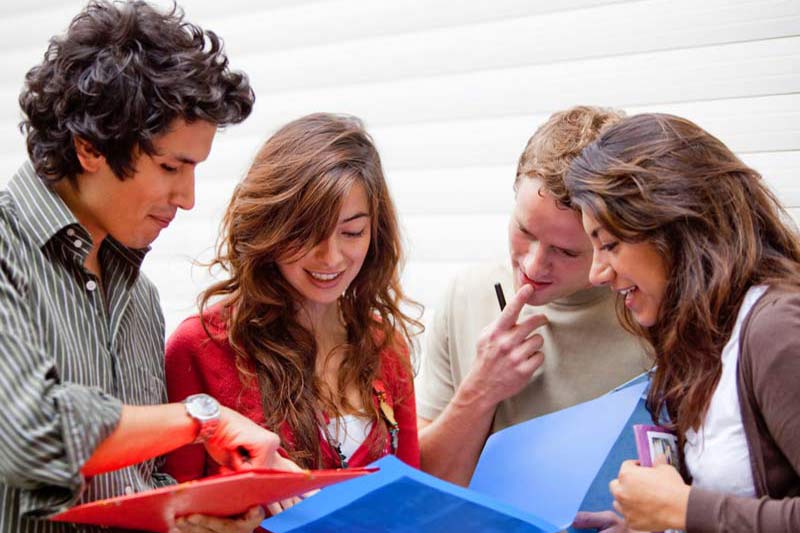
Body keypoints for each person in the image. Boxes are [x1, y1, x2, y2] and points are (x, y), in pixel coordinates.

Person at [0, 2, 287, 532]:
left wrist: (196, 519)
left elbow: (139, 480)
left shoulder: (139, 296)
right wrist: (203, 419)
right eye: (170, 166)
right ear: (90, 147)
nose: (188, 198)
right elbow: (28, 436)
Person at [565, 113, 800, 532]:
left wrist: (683, 509)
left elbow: (702, 509)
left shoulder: (776, 330)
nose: (596, 274)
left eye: (610, 244)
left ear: (678, 229)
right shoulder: (705, 340)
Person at [164, 113, 423, 486]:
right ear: (269, 225)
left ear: (375, 231)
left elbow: (411, 495)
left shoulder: (386, 345)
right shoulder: (201, 347)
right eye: (307, 233)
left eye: (352, 232)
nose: (330, 257)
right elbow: (174, 503)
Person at [417, 106, 648, 486]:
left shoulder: (647, 313)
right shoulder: (465, 294)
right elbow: (420, 484)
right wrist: (479, 391)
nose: (533, 265)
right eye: (524, 231)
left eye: (566, 252)